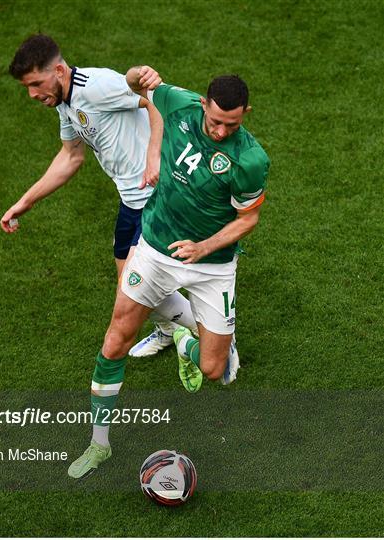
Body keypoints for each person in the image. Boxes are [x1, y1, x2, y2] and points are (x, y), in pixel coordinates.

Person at [68, 66, 270, 479]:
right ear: (203, 104)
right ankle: (99, 444)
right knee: (115, 340)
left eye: (231, 124)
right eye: (214, 121)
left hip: (212, 266)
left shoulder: (250, 160)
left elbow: (248, 219)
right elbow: (144, 89)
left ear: (246, 113)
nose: (219, 131)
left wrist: (205, 247)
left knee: (217, 371)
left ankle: (185, 342)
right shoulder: (179, 101)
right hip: (156, 248)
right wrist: (153, 147)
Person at [0, 34, 202, 356]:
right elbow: (70, 156)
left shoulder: (96, 86)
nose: (32, 94)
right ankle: (169, 329)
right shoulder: (65, 103)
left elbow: (152, 99)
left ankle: (215, 337)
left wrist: (153, 156)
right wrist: (25, 203)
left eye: (36, 83)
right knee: (132, 282)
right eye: (27, 86)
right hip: (131, 201)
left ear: (60, 71)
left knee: (134, 286)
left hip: (157, 199)